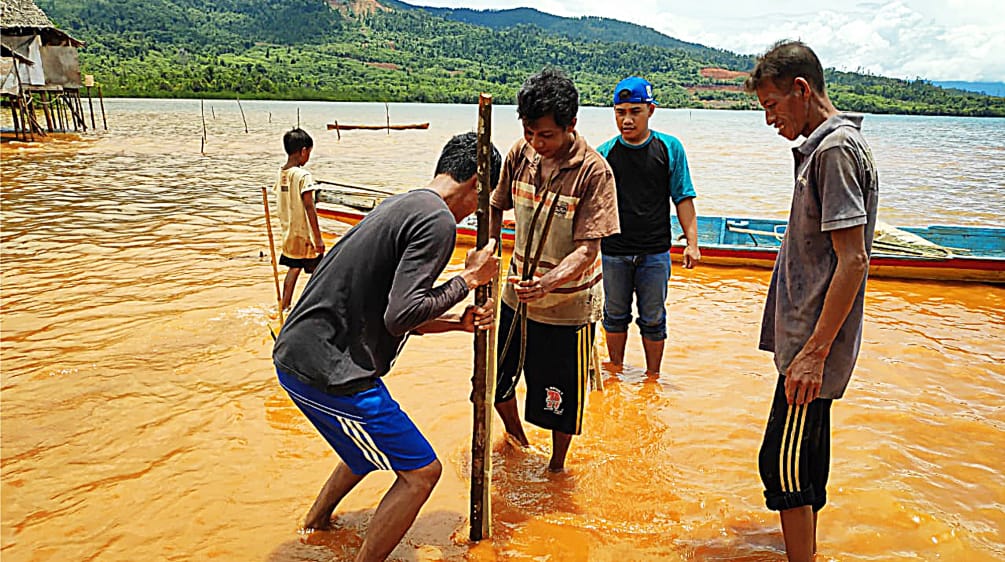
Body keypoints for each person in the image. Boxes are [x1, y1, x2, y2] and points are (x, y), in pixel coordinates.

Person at [272, 132, 502, 562]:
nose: (479, 212)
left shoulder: (407, 204)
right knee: (421, 472)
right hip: (328, 371)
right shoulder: (438, 221)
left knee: (361, 451)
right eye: (484, 199)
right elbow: (403, 314)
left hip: (298, 357)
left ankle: (315, 524)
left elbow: (389, 311)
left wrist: (456, 323)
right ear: (477, 185)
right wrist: (468, 280)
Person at [746, 40, 879, 562]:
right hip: (808, 342)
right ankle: (808, 552)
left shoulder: (834, 152)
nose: (770, 120)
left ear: (802, 90)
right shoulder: (829, 147)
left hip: (812, 348)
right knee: (803, 458)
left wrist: (814, 352)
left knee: (782, 465)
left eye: (772, 106)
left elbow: (854, 260)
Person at [490, 67, 620, 472]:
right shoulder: (519, 155)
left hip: (567, 307)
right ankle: (519, 443)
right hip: (516, 297)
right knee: (498, 384)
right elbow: (495, 206)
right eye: (529, 131)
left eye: (546, 134)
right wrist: (491, 253)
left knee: (559, 400)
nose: (536, 143)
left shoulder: (594, 173)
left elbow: (588, 250)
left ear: (571, 125)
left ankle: (556, 467)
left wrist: (547, 283)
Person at [596, 76, 700, 376]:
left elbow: (683, 197)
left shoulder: (669, 148)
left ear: (650, 110)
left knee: (653, 318)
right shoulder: (604, 154)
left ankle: (652, 376)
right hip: (614, 251)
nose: (626, 120)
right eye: (620, 112)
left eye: (634, 112)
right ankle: (615, 368)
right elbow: (593, 207)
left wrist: (692, 244)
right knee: (614, 315)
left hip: (655, 252)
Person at [273, 127, 325, 313]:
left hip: (289, 233)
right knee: (321, 270)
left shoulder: (282, 173)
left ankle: (285, 306)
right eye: (309, 153)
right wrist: (318, 238)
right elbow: (309, 206)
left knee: (293, 268)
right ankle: (313, 306)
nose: (308, 157)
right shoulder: (303, 176)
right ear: (303, 151)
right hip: (305, 236)